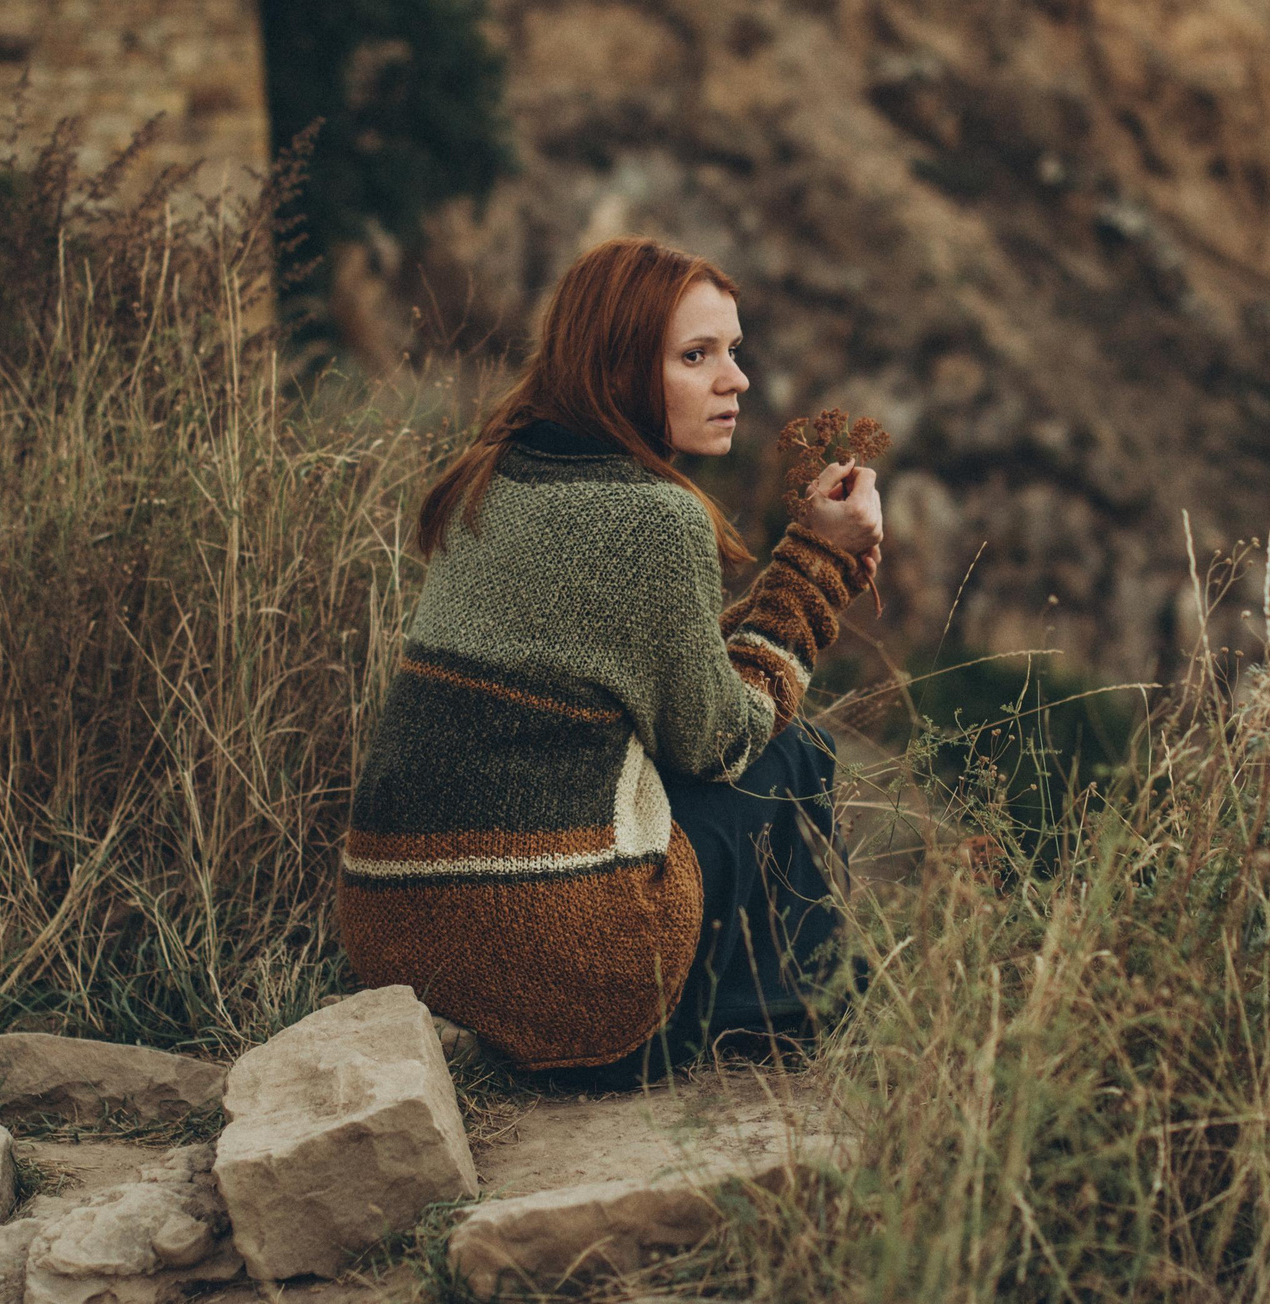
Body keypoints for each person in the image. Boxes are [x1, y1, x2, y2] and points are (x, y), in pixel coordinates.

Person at [336, 235, 885, 1086]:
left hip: (397, 934)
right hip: (573, 983)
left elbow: (667, 675)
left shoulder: (493, 475)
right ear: (618, 364)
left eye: (733, 352)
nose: (735, 379)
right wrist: (818, 564)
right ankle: (795, 1029)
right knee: (792, 755)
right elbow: (719, 743)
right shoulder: (652, 520)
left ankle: (765, 1011)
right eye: (696, 356)